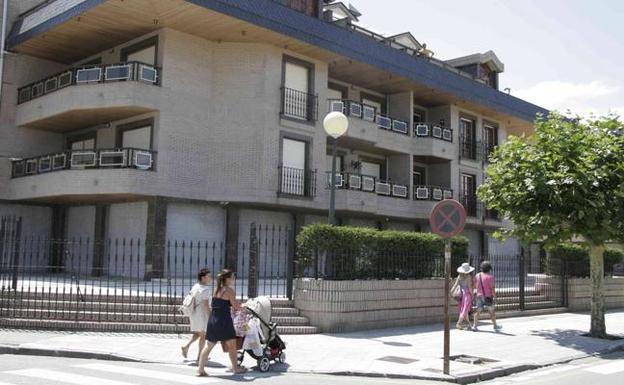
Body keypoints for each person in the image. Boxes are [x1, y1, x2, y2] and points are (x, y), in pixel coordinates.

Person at [197, 269, 246, 376]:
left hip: (213, 320)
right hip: (224, 320)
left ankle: (200, 369)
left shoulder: (216, 289)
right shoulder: (229, 290)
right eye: (232, 277)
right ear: (227, 279)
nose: (234, 279)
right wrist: (242, 306)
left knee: (209, 345)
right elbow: (235, 306)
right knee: (232, 345)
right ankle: (235, 368)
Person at [181, 268, 212, 361]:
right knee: (203, 335)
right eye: (208, 276)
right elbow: (206, 305)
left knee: (198, 333)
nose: (210, 278)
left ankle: (186, 347)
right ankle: (200, 357)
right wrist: (211, 316)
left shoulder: (196, 286)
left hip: (194, 313)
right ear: (203, 278)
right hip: (201, 315)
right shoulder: (205, 289)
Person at [473, 261, 501, 332]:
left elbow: (475, 285)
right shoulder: (490, 277)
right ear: (489, 269)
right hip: (488, 297)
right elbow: (492, 289)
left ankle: (475, 326)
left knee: (478, 311)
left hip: (479, 296)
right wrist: (495, 297)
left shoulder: (477, 275)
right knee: (492, 312)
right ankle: (495, 325)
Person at [451, 262, 474, 330]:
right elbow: (469, 287)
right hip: (467, 294)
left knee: (464, 309)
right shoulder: (469, 277)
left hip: (461, 294)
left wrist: (451, 292)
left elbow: (455, 286)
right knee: (465, 310)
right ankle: (459, 323)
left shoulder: (459, 276)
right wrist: (472, 295)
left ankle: (468, 324)